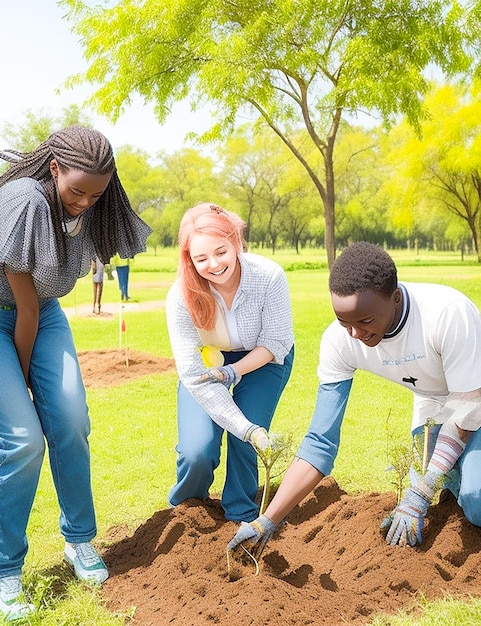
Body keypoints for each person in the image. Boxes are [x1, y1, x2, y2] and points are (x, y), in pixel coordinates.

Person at [228, 241, 481, 555]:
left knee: (477, 499)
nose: (355, 334)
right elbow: (321, 441)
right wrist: (267, 521)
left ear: (396, 298)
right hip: (433, 407)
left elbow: (467, 408)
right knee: (460, 483)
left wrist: (420, 490)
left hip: (473, 399)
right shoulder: (340, 341)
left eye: (365, 321)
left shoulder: (446, 313)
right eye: (343, 321)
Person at [0, 125, 151, 621]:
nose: (86, 201)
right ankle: (5, 571)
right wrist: (21, 383)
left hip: (43, 314)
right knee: (23, 438)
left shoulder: (92, 203)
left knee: (70, 420)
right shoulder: (24, 203)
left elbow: (40, 307)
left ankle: (79, 540)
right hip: (11, 317)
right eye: (76, 190)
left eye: (96, 192)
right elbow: (22, 312)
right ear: (54, 169)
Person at [166, 202, 294, 523]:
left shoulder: (269, 276)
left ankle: (241, 513)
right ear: (189, 259)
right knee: (198, 451)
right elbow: (193, 374)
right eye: (201, 258)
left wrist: (234, 371)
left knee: (243, 443)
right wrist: (246, 428)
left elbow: (275, 343)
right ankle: (188, 511)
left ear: (236, 242)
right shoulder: (181, 296)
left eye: (221, 252)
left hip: (264, 358)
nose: (213, 264)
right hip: (206, 368)